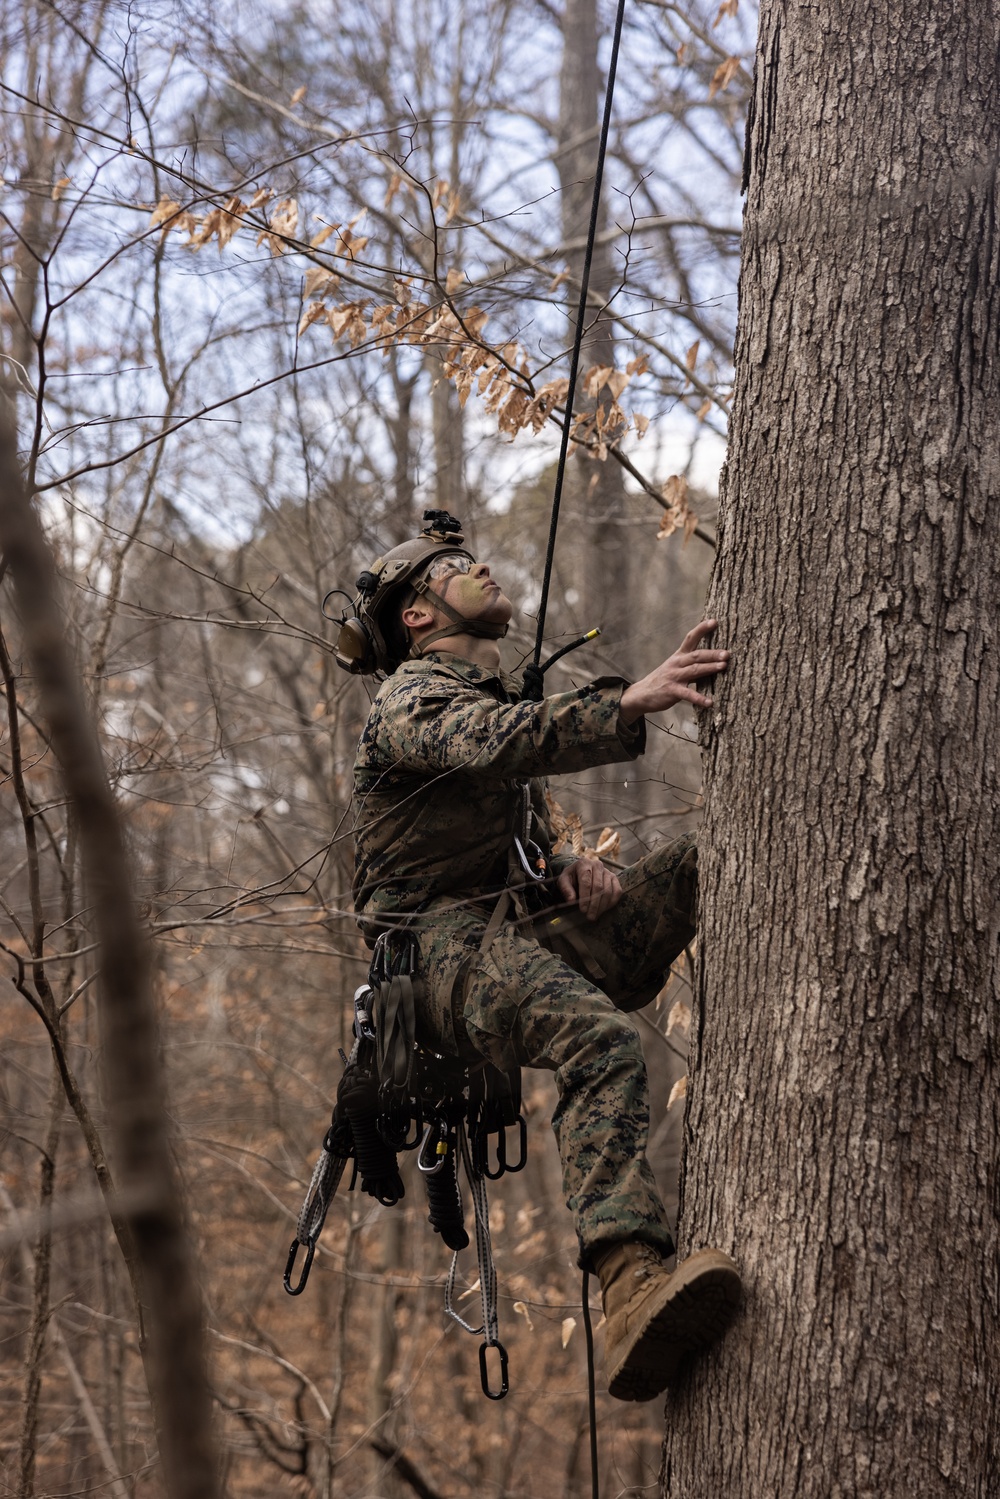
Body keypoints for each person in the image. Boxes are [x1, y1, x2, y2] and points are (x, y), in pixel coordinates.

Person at [344, 512, 741, 1401]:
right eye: (457, 565)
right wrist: (629, 702)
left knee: (701, 865)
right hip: (435, 952)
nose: (483, 567)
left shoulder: (478, 700)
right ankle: (630, 1283)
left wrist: (567, 869)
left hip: (502, 934)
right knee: (602, 1043)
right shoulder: (411, 698)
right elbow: (491, 742)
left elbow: (516, 838)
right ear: (416, 614)